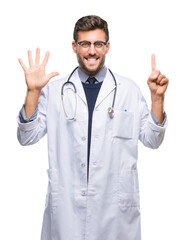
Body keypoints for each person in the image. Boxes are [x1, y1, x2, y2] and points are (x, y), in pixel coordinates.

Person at [17, 15, 169, 240]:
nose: (92, 51)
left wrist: (157, 99)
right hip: (67, 211)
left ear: (107, 46)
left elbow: (152, 140)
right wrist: (33, 92)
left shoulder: (128, 90)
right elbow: (26, 137)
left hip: (115, 214)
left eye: (98, 44)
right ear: (74, 47)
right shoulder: (54, 91)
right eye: (85, 44)